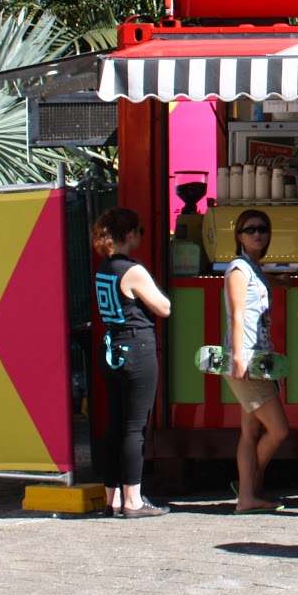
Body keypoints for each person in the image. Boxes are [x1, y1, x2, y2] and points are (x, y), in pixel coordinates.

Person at [91, 207, 172, 518]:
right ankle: (134, 501)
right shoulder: (132, 270)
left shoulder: (105, 267)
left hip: (111, 346)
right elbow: (163, 307)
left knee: (115, 425)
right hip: (136, 345)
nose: (141, 235)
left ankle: (112, 498)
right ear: (128, 234)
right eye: (139, 230)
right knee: (133, 428)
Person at [223, 208, 288, 513]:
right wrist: (237, 357)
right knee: (279, 429)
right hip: (247, 360)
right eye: (250, 230)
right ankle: (247, 485)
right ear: (239, 236)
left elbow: (258, 291)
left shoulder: (254, 268)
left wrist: (280, 279)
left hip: (258, 358)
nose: (257, 234)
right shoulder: (238, 269)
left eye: (262, 229)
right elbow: (237, 314)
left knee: (251, 432)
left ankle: (247, 496)